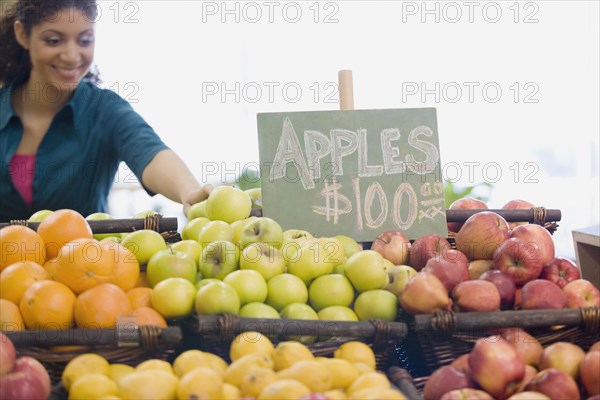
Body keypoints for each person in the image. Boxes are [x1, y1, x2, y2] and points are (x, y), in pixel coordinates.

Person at [0, 0, 212, 223]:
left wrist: (188, 191)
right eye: (54, 40)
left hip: (86, 258)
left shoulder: (104, 110)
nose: (72, 56)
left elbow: (150, 152)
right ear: (23, 34)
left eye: (84, 40)